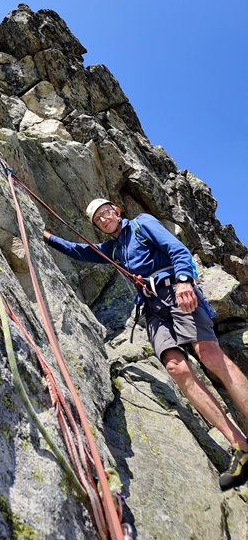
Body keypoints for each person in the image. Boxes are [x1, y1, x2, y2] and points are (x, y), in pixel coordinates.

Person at [43, 198, 248, 491]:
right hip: (152, 311)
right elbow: (81, 251)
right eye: (97, 220)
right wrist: (45, 235)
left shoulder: (142, 224)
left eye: (105, 213)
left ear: (117, 211)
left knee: (209, 354)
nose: (103, 220)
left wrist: (184, 281)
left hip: (174, 292)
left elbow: (176, 249)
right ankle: (240, 445)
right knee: (177, 369)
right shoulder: (112, 250)